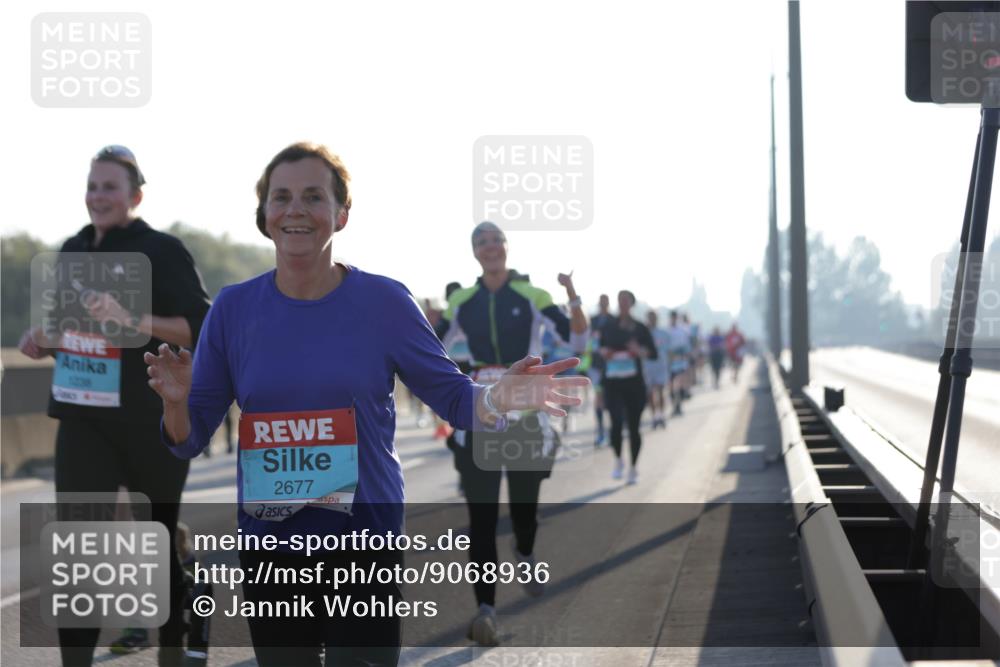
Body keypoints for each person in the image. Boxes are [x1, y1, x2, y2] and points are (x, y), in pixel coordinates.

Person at [145, 144, 586, 666]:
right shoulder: (233, 309)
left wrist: (495, 396)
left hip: (363, 542)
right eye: (281, 197)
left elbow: (452, 397)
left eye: (314, 196)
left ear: (341, 214)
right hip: (271, 548)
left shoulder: (384, 302)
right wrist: (176, 404)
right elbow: (190, 437)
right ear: (264, 215)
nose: (295, 209)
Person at [18, 145, 211, 667]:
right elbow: (69, 331)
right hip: (83, 418)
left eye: (109, 187)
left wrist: (133, 319)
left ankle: (175, 646)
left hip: (151, 419)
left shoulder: (161, 250)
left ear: (135, 196)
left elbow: (200, 327)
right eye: (92, 186)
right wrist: (44, 340)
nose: (97, 196)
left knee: (156, 546)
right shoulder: (72, 250)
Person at [434, 221, 589, 646]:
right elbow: (430, 349)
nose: (490, 247)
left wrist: (572, 295)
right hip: (482, 416)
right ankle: (486, 610)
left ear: (506, 246)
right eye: (481, 242)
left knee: (523, 512)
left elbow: (577, 340)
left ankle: (524, 550)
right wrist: (460, 380)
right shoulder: (462, 301)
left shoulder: (532, 295)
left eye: (495, 240)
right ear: (474, 252)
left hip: (526, 419)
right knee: (481, 521)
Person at [597, 291, 657, 484]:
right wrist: (604, 352)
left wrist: (638, 350)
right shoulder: (608, 326)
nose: (622, 303)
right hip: (613, 382)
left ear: (631, 304)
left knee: (633, 427)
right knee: (615, 425)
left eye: (625, 300)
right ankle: (618, 460)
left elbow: (653, 353)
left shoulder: (640, 327)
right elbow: (599, 348)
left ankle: (633, 467)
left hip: (634, 384)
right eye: (620, 300)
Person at [589, 294, 613, 445]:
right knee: (598, 397)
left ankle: (612, 430)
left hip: (612, 367)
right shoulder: (592, 321)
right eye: (601, 302)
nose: (603, 304)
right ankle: (601, 431)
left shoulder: (614, 320)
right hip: (596, 366)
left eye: (605, 302)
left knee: (610, 399)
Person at [643, 310, 670, 429]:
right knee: (650, 393)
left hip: (661, 366)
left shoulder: (663, 333)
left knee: (661, 391)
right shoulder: (643, 333)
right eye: (650, 317)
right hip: (648, 366)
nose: (652, 320)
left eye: (654, 317)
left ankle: (661, 415)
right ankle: (654, 416)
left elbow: (668, 350)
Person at [666, 311, 691, 416]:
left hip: (680, 361)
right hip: (670, 362)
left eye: (675, 317)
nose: (674, 319)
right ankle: (674, 405)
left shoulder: (682, 331)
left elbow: (686, 346)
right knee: (671, 386)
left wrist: (685, 357)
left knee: (679, 384)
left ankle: (678, 405)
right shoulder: (667, 331)